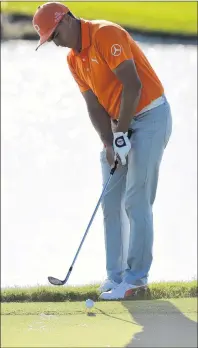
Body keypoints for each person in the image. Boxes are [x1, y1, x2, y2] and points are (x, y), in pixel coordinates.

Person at [33, 2, 172, 300]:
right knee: (110, 201)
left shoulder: (105, 34)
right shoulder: (74, 59)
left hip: (150, 116)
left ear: (68, 20)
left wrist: (121, 132)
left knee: (136, 198)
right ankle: (116, 277)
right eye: (50, 40)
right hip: (119, 123)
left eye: (55, 35)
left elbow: (132, 86)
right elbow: (93, 105)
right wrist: (109, 142)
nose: (55, 43)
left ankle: (136, 280)